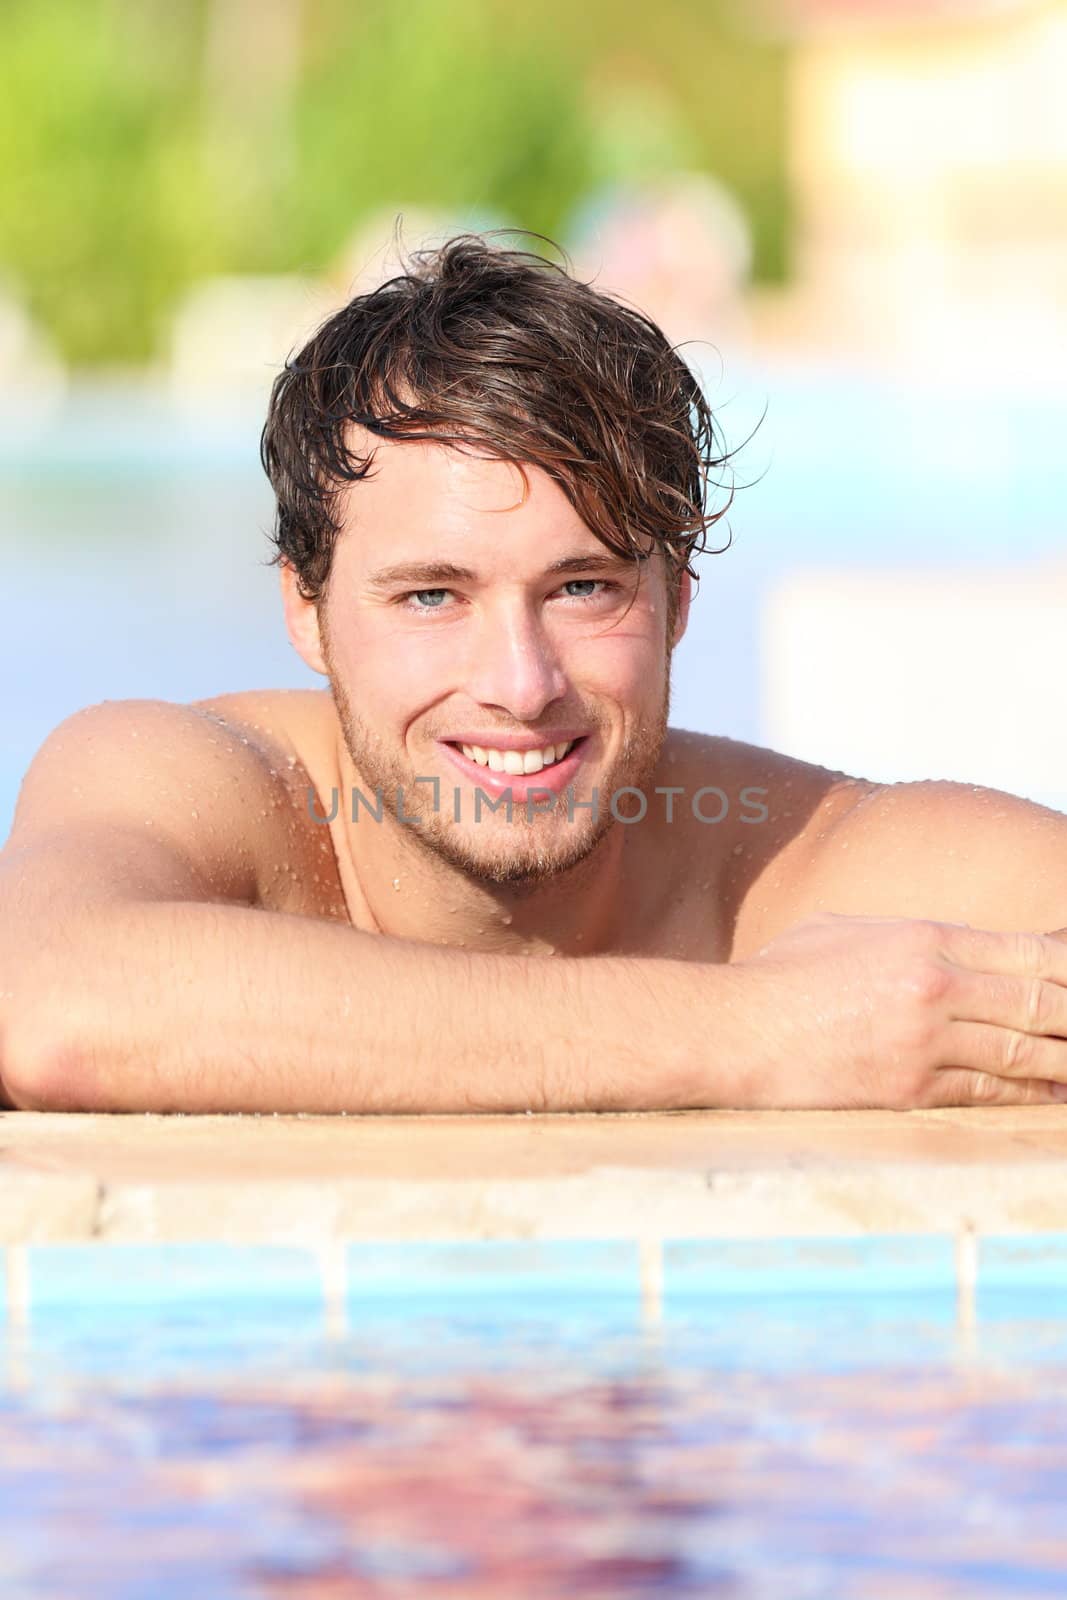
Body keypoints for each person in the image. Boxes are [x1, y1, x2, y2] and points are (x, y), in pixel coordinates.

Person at [3, 235, 1066, 1116]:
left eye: (581, 589)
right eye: (431, 596)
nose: (519, 683)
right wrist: (752, 1034)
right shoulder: (206, 788)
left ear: (675, 603)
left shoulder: (783, 872)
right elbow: (45, 1000)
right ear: (306, 610)